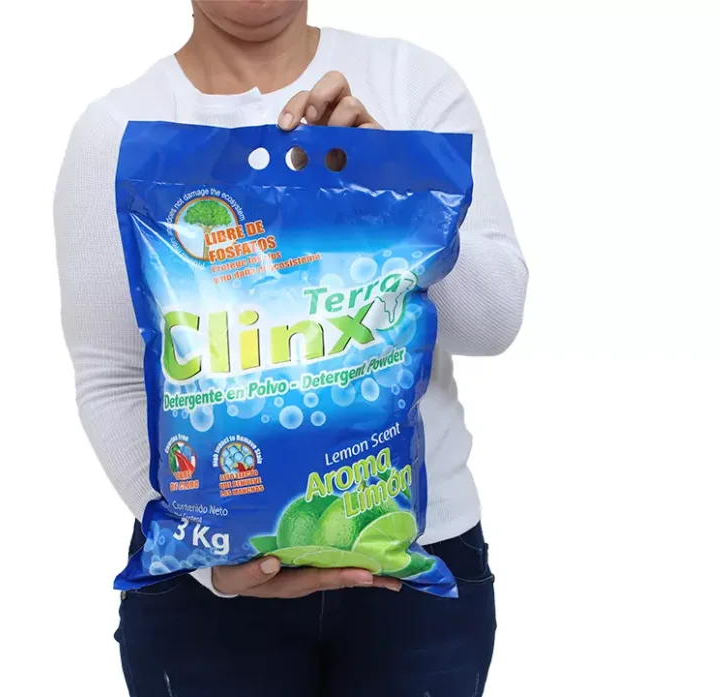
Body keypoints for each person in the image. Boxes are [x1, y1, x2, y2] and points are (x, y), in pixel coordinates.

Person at [54, 2, 527, 695]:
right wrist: (209, 564)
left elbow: (496, 322)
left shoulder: (409, 81)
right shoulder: (118, 131)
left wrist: (394, 198)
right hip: (205, 591)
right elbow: (111, 376)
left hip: (413, 565)